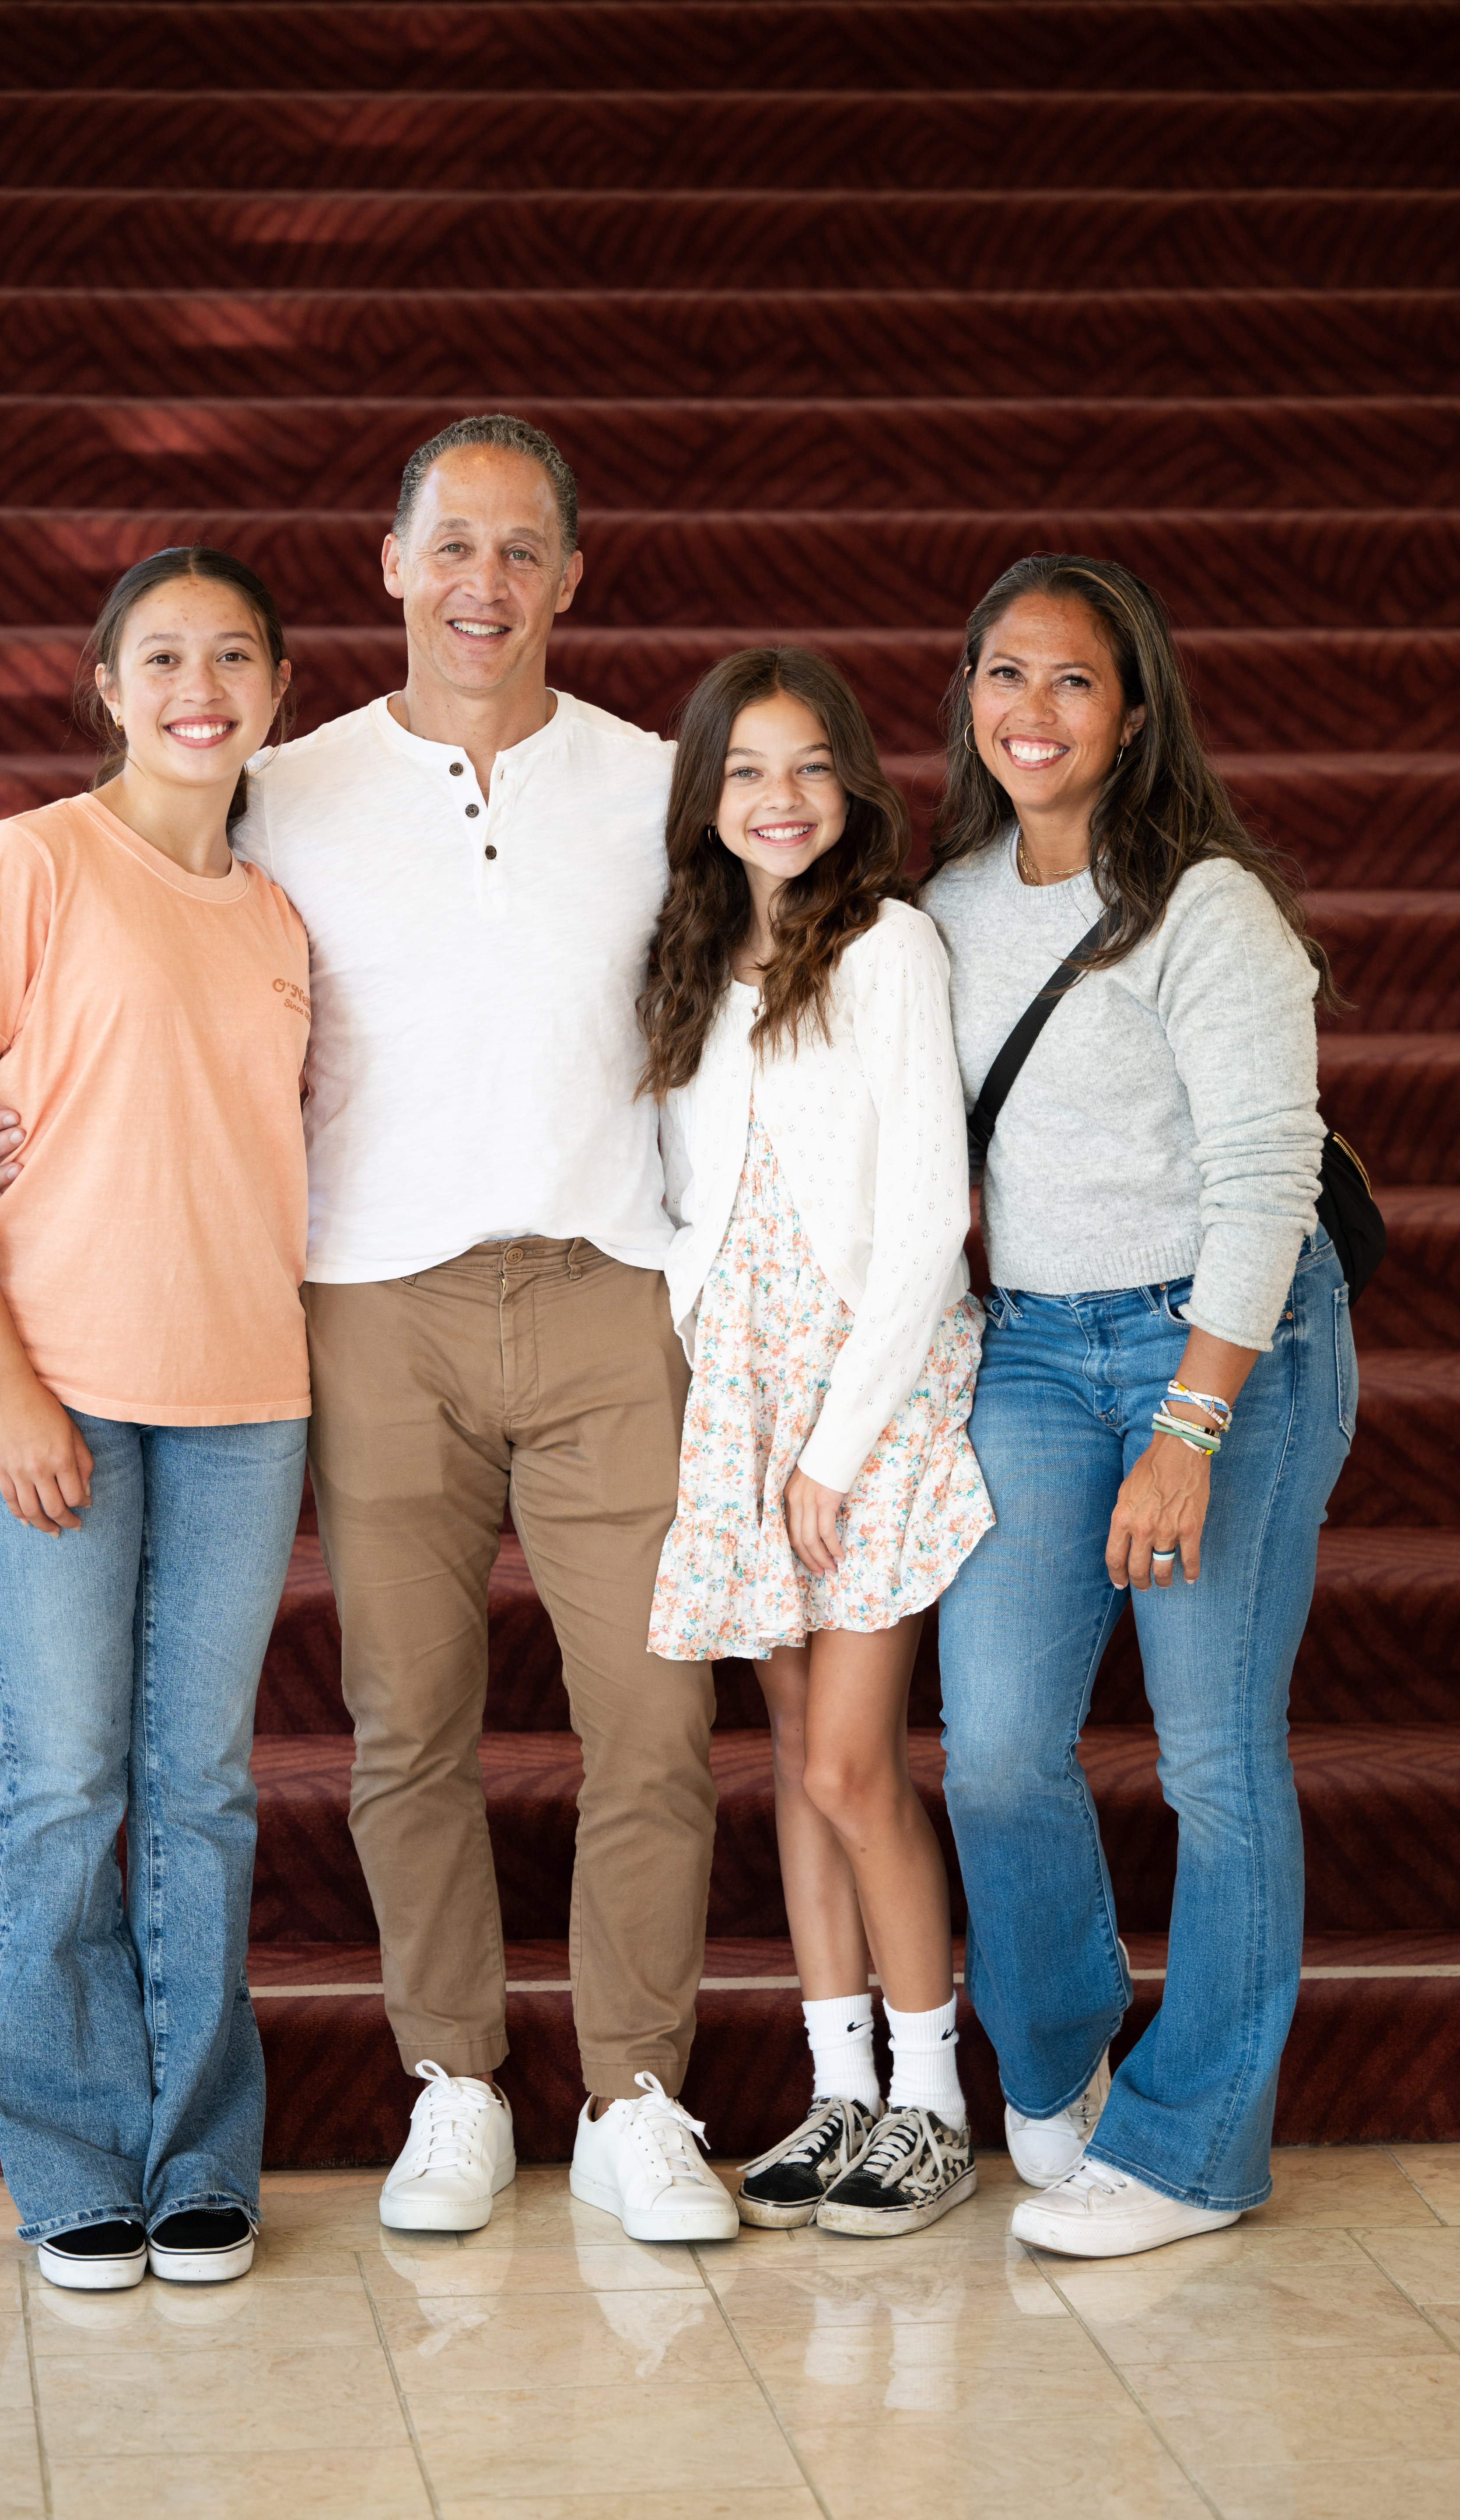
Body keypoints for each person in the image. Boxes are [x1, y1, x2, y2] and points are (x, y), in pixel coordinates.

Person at [0, 414, 738, 2246]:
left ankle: (639, 2095)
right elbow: (130, 965)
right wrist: (20, 1111)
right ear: (390, 568)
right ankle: (455, 2081)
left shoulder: (657, 784)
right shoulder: (280, 786)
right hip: (371, 1309)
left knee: (654, 1722)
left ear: (573, 573)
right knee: (410, 1725)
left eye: (519, 548)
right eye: (448, 546)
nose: (483, 583)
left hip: (609, 1291)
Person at [0, 547, 312, 2292]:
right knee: (66, 1781)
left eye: (230, 657)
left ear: (276, 688)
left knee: (203, 1790)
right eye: (161, 656)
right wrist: (6, 1389)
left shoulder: (282, 917)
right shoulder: (33, 862)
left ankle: (198, 2156)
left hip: (244, 1402)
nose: (197, 685)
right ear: (108, 683)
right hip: (52, 1384)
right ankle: (67, 2160)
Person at [924, 553, 1348, 2258]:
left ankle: (1196, 2153)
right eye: (1005, 675)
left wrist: (1189, 1429)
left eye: (1074, 681)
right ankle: (1057, 2055)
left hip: (1223, 1351)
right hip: (1031, 1349)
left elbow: (1269, 1176)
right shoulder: (948, 908)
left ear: (1136, 709)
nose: (1033, 710)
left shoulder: (1207, 905)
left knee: (1215, 1760)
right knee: (1005, 1749)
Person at [641, 646, 994, 2238]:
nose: (776, 801)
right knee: (791, 1764)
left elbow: (926, 1220)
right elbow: (687, 1200)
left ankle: (932, 2103)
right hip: (746, 1397)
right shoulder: (698, 960)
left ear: (852, 784)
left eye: (805, 769)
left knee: (856, 1763)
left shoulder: (890, 947)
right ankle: (837, 2088)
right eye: (742, 773)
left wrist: (834, 1454)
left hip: (868, 1403)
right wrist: (725, 1396)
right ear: (704, 800)